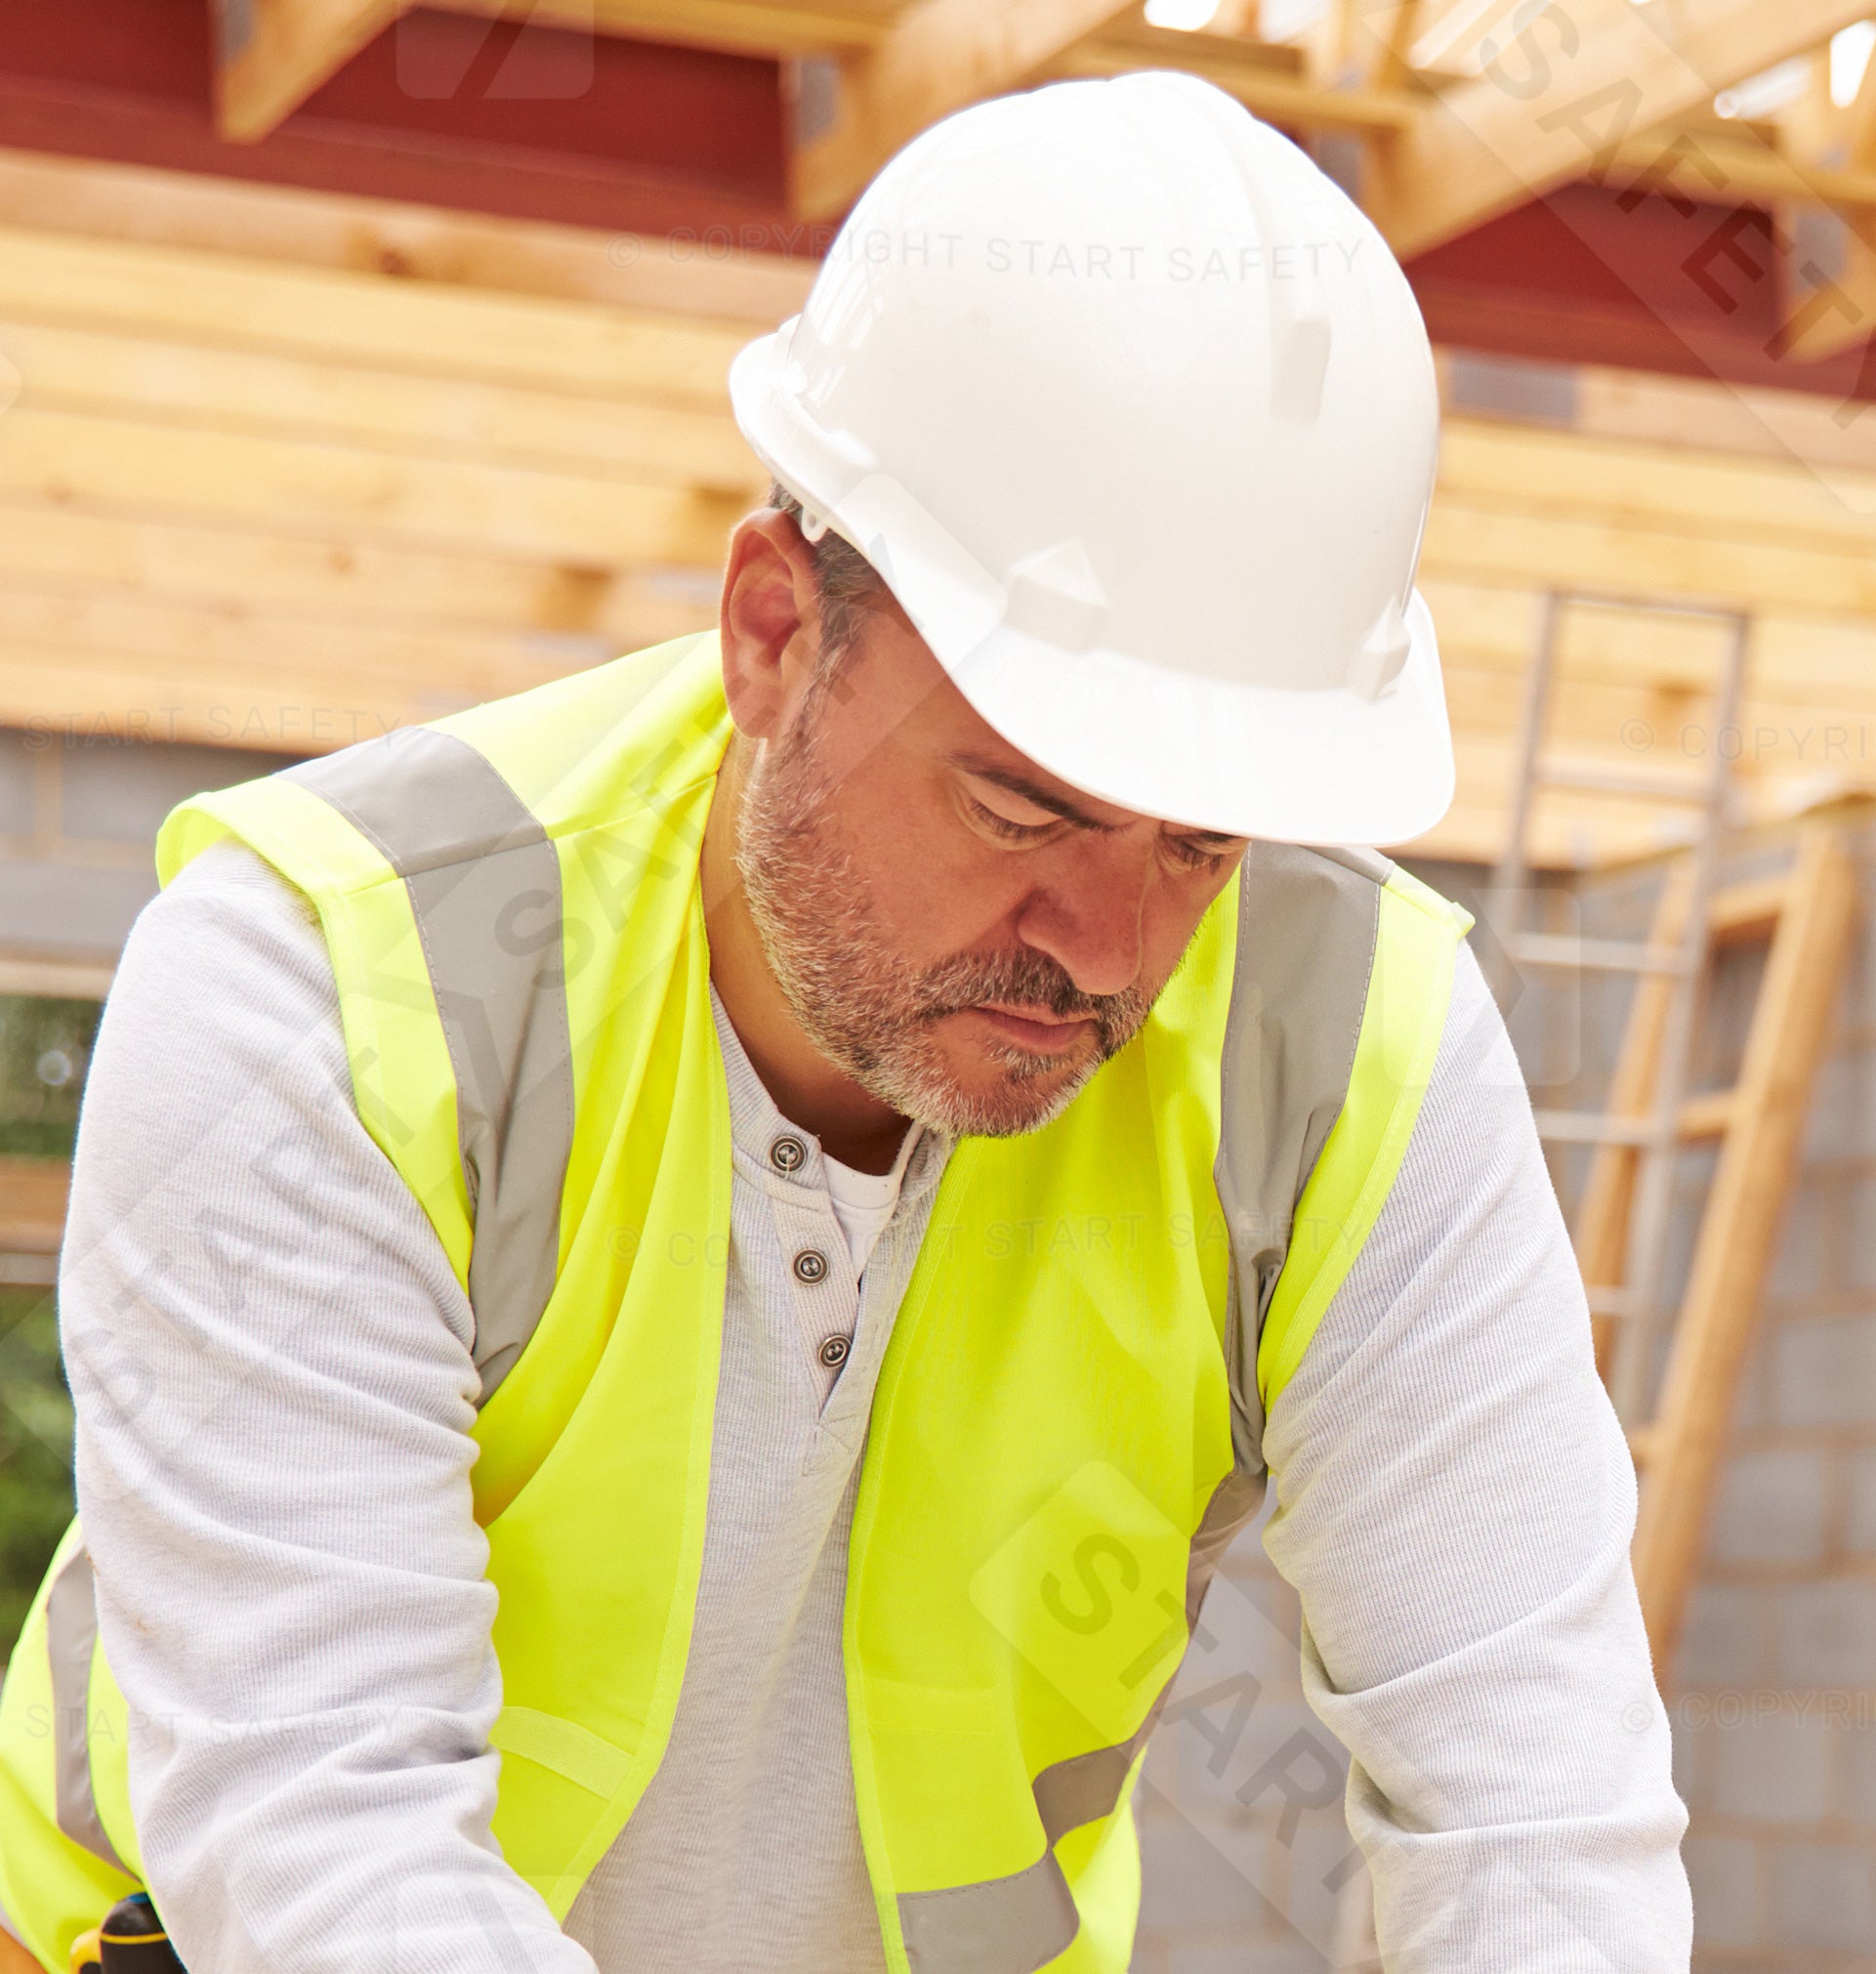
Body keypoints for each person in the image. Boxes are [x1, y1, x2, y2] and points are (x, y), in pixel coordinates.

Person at [0, 74, 1688, 1974]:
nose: (1112, 951)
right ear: (774, 635)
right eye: (1023, 807)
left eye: (1204, 841)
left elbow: (1535, 1813)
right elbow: (327, 1851)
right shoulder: (332, 984)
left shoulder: (1356, 1050)